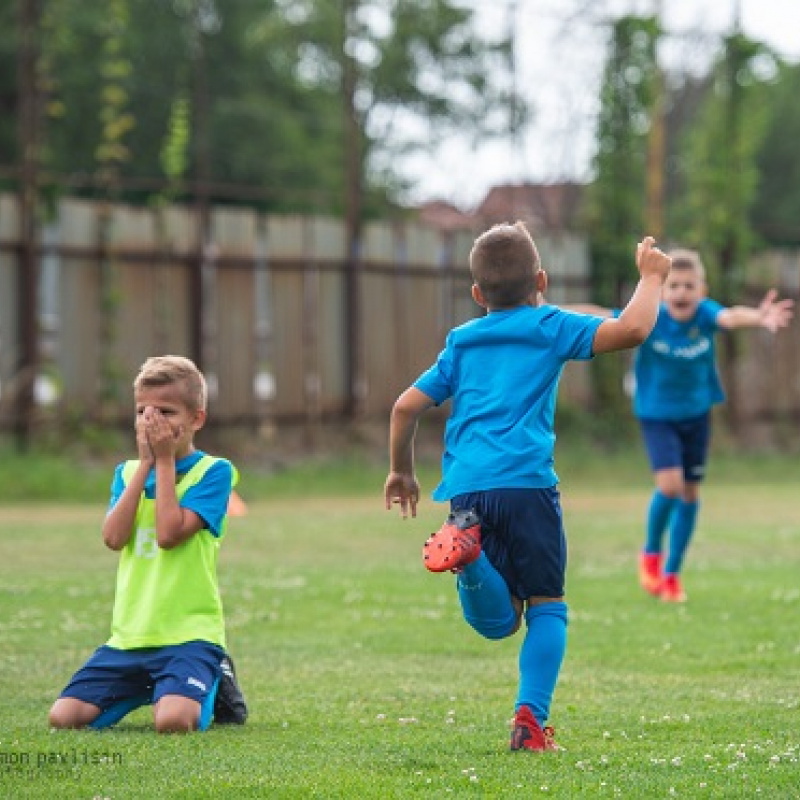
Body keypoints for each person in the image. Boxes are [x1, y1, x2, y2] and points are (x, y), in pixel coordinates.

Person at [384, 222, 672, 751]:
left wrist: (402, 471)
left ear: (476, 294)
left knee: (498, 624)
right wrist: (651, 278)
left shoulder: (462, 342)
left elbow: (406, 406)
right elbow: (632, 330)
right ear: (542, 279)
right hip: (528, 486)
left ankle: (470, 557)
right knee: (546, 607)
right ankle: (530, 723)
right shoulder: (550, 325)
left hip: (468, 493)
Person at [565, 248, 794, 603]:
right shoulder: (650, 316)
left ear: (701, 291)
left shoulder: (704, 315)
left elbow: (732, 316)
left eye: (689, 286)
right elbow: (597, 315)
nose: (681, 293)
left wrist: (759, 317)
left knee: (690, 493)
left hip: (696, 415)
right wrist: (551, 310)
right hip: (657, 415)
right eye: (673, 286)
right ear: (661, 291)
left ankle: (672, 574)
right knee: (670, 486)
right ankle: (651, 553)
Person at [48, 355, 247, 733]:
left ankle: (214, 676)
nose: (152, 422)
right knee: (64, 718)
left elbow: (169, 535)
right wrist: (145, 466)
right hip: (129, 638)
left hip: (189, 637)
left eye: (167, 412)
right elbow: (112, 538)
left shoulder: (214, 472)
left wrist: (166, 462)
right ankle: (148, 687)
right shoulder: (126, 473)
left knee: (173, 722)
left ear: (196, 419)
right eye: (143, 412)